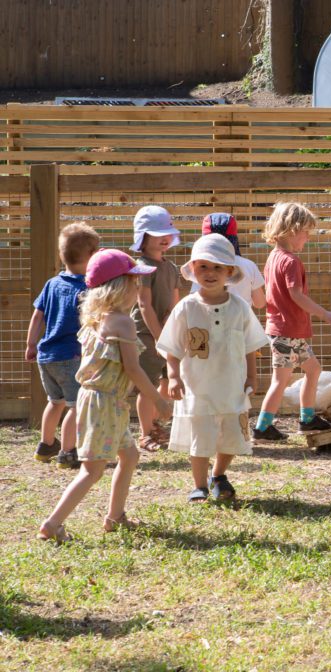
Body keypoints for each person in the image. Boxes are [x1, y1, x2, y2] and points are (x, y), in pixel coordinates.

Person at [37, 250, 171, 542]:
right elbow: (133, 369)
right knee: (92, 470)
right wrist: (158, 400)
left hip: (103, 401)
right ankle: (52, 523)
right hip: (105, 403)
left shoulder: (97, 318)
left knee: (130, 455)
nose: (138, 287)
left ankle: (115, 517)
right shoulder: (123, 322)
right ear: (119, 286)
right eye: (134, 282)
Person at [159, 234, 269, 503]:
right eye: (203, 266)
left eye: (218, 267)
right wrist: (173, 377)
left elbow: (250, 345)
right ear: (193, 269)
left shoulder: (240, 307)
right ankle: (199, 486)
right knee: (201, 437)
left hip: (231, 385)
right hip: (198, 388)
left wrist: (252, 376)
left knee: (231, 434)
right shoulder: (186, 307)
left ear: (229, 272)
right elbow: (171, 346)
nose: (210, 273)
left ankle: (218, 475)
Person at [252, 202, 331, 441]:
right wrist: (325, 314)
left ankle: (307, 418)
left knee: (313, 369)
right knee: (280, 381)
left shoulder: (273, 258)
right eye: (306, 232)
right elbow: (296, 295)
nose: (308, 238)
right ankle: (262, 427)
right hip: (287, 331)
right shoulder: (291, 261)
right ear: (293, 230)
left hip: (284, 330)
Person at [25, 223, 100, 469]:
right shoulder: (89, 288)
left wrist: (31, 344)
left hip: (46, 356)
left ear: (61, 254)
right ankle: (68, 452)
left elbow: (38, 316)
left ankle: (46, 444)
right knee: (76, 406)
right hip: (71, 356)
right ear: (92, 255)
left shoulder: (52, 284)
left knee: (55, 401)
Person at [129, 205, 182, 452]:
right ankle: (145, 433)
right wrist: (160, 336)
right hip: (146, 336)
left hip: (167, 336)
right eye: (157, 234)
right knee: (147, 386)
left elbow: (175, 304)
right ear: (143, 237)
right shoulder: (141, 267)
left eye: (167, 233)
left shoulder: (171, 268)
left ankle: (156, 425)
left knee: (167, 380)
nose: (164, 238)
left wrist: (173, 330)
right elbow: (144, 305)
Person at [189, 213, 266, 309]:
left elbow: (194, 301)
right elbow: (259, 303)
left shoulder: (202, 267)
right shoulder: (249, 265)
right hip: (241, 317)